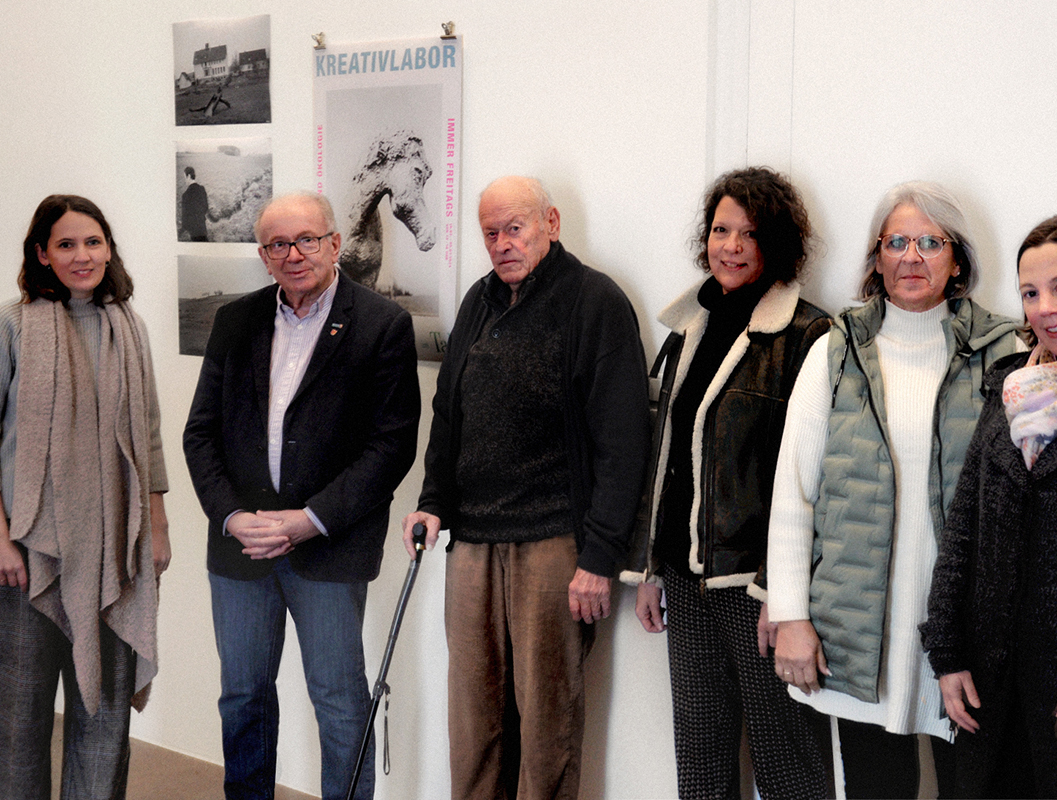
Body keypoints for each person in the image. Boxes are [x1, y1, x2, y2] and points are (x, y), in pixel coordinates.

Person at [767, 181, 1021, 798]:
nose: (913, 256)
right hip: (856, 630)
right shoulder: (834, 352)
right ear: (876, 258)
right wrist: (791, 615)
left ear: (956, 259)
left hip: (963, 629)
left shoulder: (1003, 354)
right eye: (897, 242)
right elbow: (794, 496)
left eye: (931, 243)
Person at [401, 176, 648, 800]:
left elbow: (624, 443)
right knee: (474, 716)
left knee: (546, 722)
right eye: (491, 232)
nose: (503, 244)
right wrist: (432, 503)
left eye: (516, 228)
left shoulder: (595, 302)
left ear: (551, 223)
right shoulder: (479, 302)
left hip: (552, 542)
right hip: (474, 543)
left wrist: (599, 556)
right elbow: (449, 414)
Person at [183, 192, 420, 800]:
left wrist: (312, 519)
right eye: (278, 245)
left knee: (340, 703)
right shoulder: (235, 322)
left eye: (307, 240)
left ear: (335, 244)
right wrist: (233, 517)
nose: (294, 255)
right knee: (243, 697)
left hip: (328, 548)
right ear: (263, 256)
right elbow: (200, 432)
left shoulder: (381, 324)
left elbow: (390, 447)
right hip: (242, 550)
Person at [622, 167, 832, 799]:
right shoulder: (690, 324)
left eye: (749, 233)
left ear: (779, 244)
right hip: (687, 579)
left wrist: (781, 591)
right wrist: (651, 569)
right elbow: (665, 457)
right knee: (702, 747)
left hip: (756, 584)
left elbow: (806, 475)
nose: (731, 246)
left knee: (785, 753)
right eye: (720, 230)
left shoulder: (806, 334)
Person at [920, 215, 1057, 799]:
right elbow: (964, 527)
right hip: (990, 683)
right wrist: (946, 651)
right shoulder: (1010, 385)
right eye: (1030, 293)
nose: (1046, 308)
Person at [0, 195, 169, 800]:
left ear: (108, 248)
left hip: (115, 553)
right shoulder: (14, 324)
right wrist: (2, 541)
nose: (81, 255)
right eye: (66, 244)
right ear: (41, 254)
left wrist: (158, 526)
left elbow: (146, 433)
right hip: (29, 554)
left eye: (92, 242)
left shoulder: (130, 327)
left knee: (105, 720)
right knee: (18, 722)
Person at [181, 166, 210, 242]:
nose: (185, 180)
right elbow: (205, 208)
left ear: (189, 176)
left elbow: (184, 220)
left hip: (194, 232)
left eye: (185, 177)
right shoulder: (202, 189)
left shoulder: (185, 195)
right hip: (203, 228)